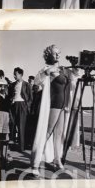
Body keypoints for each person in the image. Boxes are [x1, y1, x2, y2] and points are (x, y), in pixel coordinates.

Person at [29, 45, 81, 176]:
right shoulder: (47, 69)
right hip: (53, 105)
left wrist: (75, 68)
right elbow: (36, 82)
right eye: (55, 53)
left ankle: (57, 161)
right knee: (46, 133)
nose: (57, 55)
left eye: (59, 53)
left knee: (60, 135)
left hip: (64, 106)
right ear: (49, 55)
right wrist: (47, 72)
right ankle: (35, 164)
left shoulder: (64, 70)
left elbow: (74, 81)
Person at [9, 67, 31, 153]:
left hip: (22, 105)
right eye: (14, 74)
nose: (14, 76)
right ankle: (12, 145)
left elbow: (30, 98)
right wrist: (12, 100)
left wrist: (26, 106)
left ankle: (21, 148)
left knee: (21, 126)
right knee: (13, 125)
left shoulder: (26, 84)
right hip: (14, 105)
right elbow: (11, 95)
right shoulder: (13, 84)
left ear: (21, 75)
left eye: (16, 74)